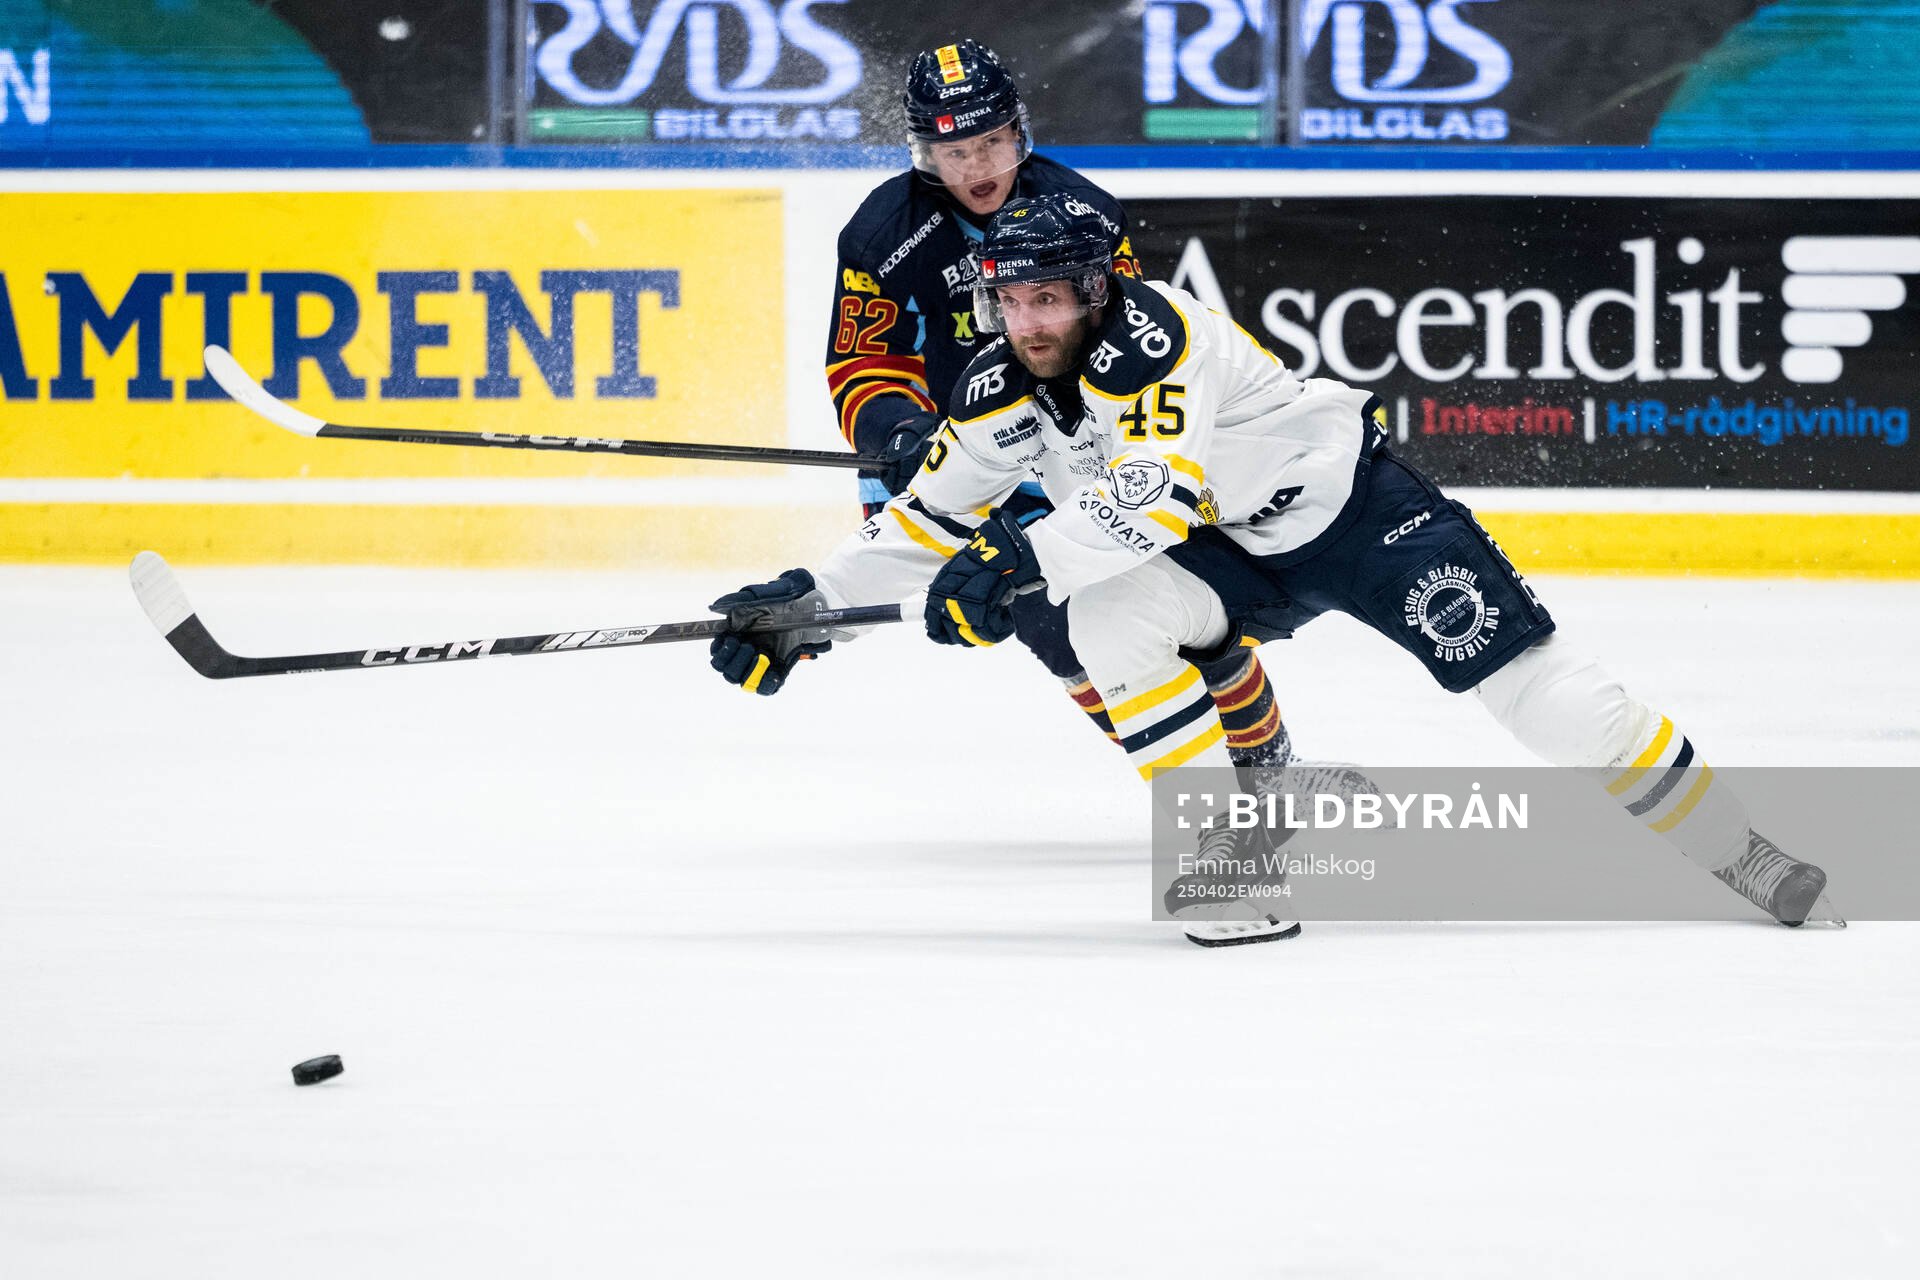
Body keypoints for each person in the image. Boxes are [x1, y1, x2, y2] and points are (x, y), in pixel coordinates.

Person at [713, 193, 1832, 947]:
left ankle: (1739, 848)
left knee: (1541, 694)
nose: (1027, 320)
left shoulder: (1155, 337)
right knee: (1105, 618)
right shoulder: (999, 383)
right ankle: (1236, 859)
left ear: (1097, 291)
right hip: (1237, 550)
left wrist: (1016, 559)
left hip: (1360, 516)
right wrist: (812, 601)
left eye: (1047, 297)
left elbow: (1149, 495)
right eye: (1009, 300)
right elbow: (926, 513)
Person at [815, 37, 1313, 775]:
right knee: (1052, 625)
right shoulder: (880, 234)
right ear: (924, 154)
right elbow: (865, 360)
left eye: (991, 143)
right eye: (955, 153)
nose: (977, 168)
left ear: (1018, 131)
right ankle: (1210, 776)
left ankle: (1266, 767)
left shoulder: (1084, 212)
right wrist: (900, 431)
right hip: (970, 447)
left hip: (1077, 444)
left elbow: (1124, 338)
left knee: (1170, 604)